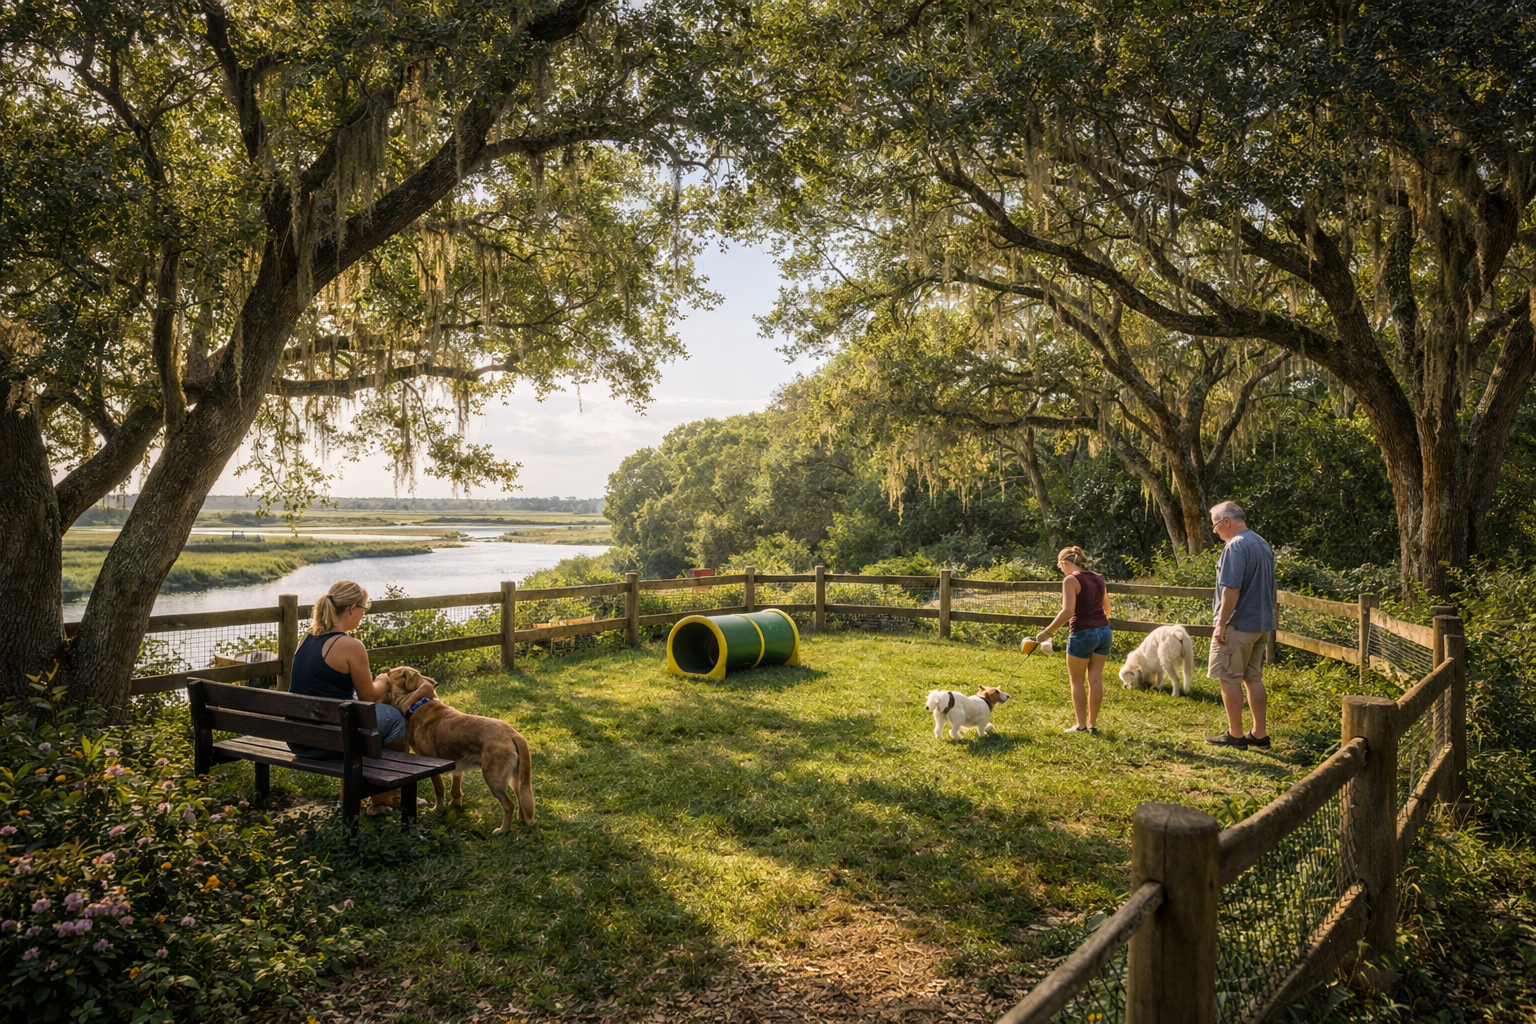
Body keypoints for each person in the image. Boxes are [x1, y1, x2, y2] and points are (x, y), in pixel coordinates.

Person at [287, 581, 408, 811]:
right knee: (394, 719)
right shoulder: (351, 645)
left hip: (298, 738)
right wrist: (384, 680)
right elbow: (368, 696)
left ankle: (349, 797)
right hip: (329, 741)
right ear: (352, 608)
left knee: (350, 721)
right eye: (363, 609)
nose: (363, 615)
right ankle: (382, 799)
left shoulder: (306, 639)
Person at [1205, 502, 1275, 750]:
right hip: (1260, 625)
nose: (1215, 531)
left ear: (1226, 521)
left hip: (1238, 625)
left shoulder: (1235, 546)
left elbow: (1231, 589)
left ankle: (1235, 735)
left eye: (1215, 525)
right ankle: (1259, 734)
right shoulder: (1261, 543)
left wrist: (1221, 624)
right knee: (1253, 678)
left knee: (1228, 677)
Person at [1033, 546, 1113, 734]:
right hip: (1104, 631)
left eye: (1060, 567)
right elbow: (1106, 607)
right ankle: (1093, 725)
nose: (1062, 571)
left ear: (1064, 563)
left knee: (1076, 680)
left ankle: (1081, 725)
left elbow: (1068, 611)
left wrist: (1047, 632)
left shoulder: (1071, 580)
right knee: (1095, 679)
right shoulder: (1098, 578)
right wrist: (1101, 625)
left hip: (1082, 633)